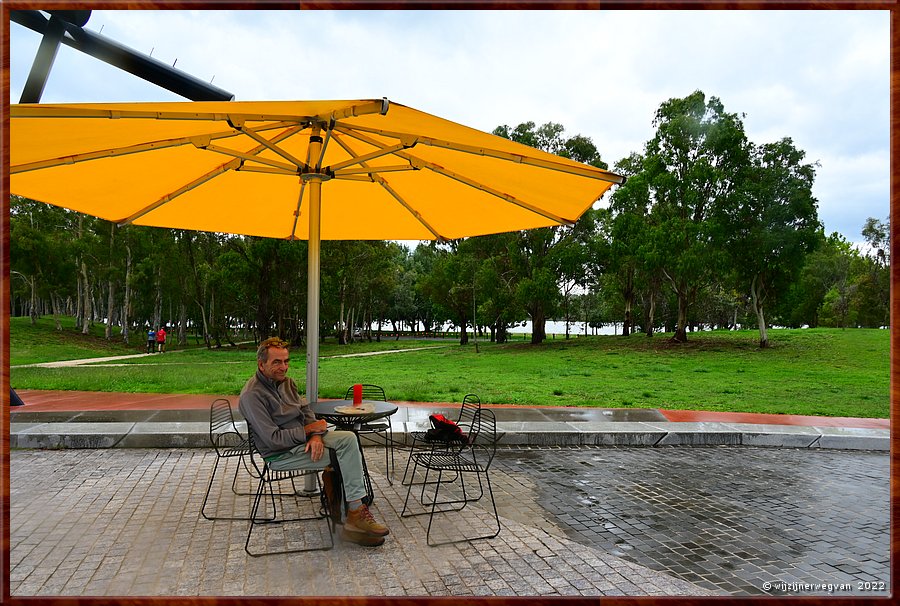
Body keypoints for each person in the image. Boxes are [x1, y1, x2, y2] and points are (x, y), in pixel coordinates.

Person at [238, 337, 390, 547]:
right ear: (261, 364)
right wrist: (309, 431)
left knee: (349, 438)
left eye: (286, 361)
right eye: (277, 362)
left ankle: (352, 515)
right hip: (280, 455)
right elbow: (273, 440)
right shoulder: (252, 396)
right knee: (344, 456)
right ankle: (353, 516)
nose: (284, 367)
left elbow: (306, 411)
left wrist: (316, 435)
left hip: (303, 441)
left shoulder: (286, 383)